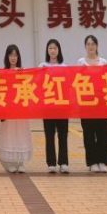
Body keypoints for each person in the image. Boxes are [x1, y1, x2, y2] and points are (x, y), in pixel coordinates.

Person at [77, 35, 107, 174]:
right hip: (87, 103)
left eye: (93, 44)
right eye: (88, 44)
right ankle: (92, 162)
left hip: (102, 102)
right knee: (89, 133)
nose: (91, 46)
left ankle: (103, 161)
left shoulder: (104, 62)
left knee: (103, 132)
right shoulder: (81, 62)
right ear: (85, 46)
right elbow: (77, 81)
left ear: (97, 46)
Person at [0, 45, 33, 174]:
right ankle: (11, 162)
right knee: (10, 134)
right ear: (7, 57)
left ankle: (21, 162)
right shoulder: (3, 72)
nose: (13, 58)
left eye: (15, 55)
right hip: (8, 110)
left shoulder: (23, 72)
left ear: (18, 57)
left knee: (21, 134)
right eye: (11, 55)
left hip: (20, 109)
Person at [40, 39, 69, 174]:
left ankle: (64, 162)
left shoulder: (64, 67)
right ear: (47, 50)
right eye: (50, 48)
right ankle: (51, 163)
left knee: (63, 136)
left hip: (62, 106)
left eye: (55, 48)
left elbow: (68, 86)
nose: (52, 50)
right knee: (49, 136)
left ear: (59, 50)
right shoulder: (42, 66)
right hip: (48, 106)